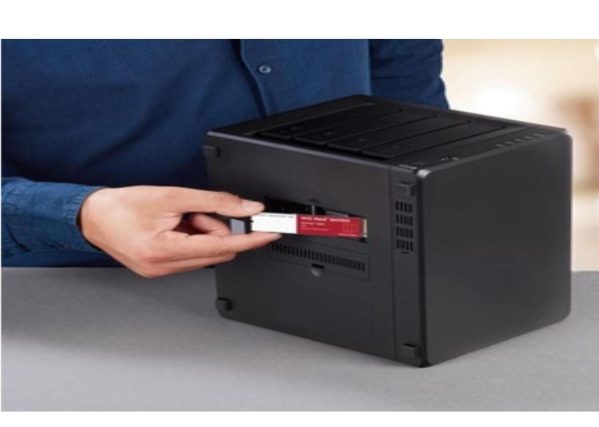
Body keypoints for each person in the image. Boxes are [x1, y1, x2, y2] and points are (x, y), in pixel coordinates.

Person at [2, 39, 448, 277]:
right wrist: (80, 216)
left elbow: (402, 68)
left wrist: (434, 188)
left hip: (364, 269)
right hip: (87, 290)